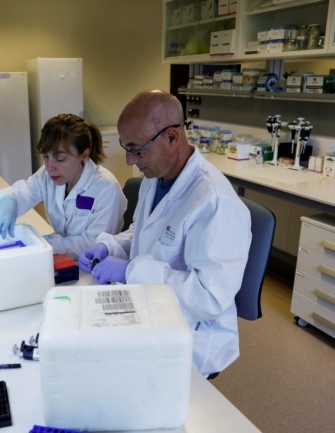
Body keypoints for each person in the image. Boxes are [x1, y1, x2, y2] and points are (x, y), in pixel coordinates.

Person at [78, 90, 252, 378]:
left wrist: (131, 271)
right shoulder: (156, 177)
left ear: (171, 137)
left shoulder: (215, 203)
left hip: (191, 338)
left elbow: (208, 298)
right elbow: (145, 234)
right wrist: (112, 247)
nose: (130, 161)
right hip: (148, 312)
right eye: (125, 148)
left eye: (136, 149)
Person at [0, 113, 127, 259]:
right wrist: (8, 200)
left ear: (84, 155)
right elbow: (22, 191)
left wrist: (48, 243)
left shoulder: (106, 188)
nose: (50, 167)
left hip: (95, 266)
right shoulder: (47, 175)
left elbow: (93, 242)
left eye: (60, 158)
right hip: (61, 259)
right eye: (45, 156)